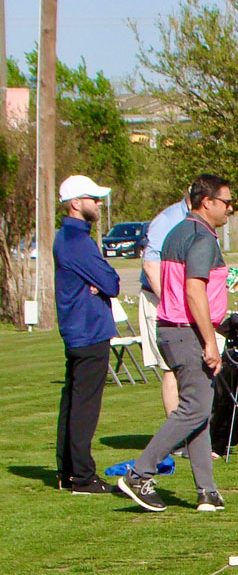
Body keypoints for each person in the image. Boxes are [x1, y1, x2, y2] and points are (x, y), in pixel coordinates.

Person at [118, 175, 233, 512]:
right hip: (187, 331)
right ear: (207, 202)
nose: (230, 209)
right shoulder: (200, 238)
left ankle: (206, 491)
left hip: (171, 328)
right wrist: (210, 343)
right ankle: (140, 473)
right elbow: (194, 291)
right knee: (195, 408)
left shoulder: (177, 232)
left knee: (198, 408)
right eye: (226, 202)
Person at [53, 175, 121, 494]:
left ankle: (68, 471)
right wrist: (99, 283)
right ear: (76, 204)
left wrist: (99, 281)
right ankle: (81, 476)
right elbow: (111, 283)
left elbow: (104, 281)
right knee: (84, 406)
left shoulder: (67, 238)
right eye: (93, 199)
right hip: (89, 331)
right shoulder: (78, 241)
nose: (98, 204)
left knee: (72, 401)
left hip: (78, 329)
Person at [138, 193, 190, 417]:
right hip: (160, 301)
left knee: (192, 367)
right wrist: (171, 303)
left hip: (186, 303)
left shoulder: (201, 220)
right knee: (170, 367)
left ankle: (194, 433)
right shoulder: (168, 220)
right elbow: (150, 266)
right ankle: (176, 435)